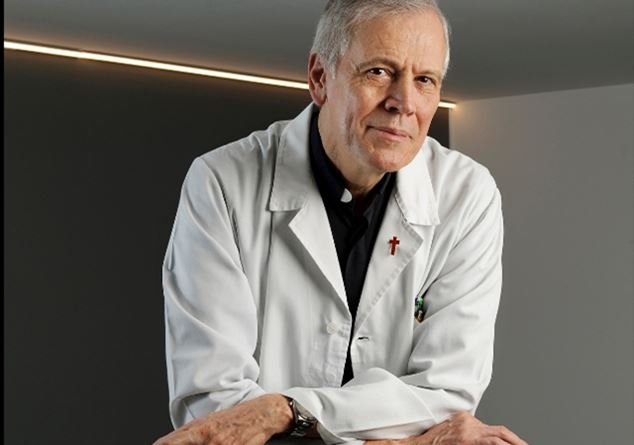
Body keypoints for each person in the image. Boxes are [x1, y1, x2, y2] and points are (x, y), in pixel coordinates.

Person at [154, 1, 529, 444]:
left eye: (425, 80)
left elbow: (447, 392)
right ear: (319, 78)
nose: (404, 103)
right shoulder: (221, 183)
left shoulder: (467, 195)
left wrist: (282, 411)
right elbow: (215, 412)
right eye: (379, 72)